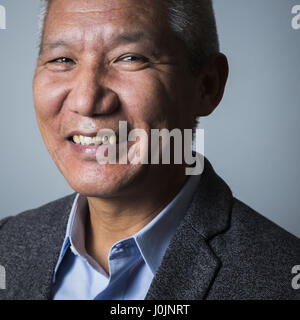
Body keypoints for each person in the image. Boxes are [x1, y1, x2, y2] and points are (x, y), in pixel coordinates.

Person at [0, 0, 299, 300]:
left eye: (129, 58)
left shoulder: (281, 280)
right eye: (63, 60)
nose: (86, 101)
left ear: (207, 85)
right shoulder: (7, 244)